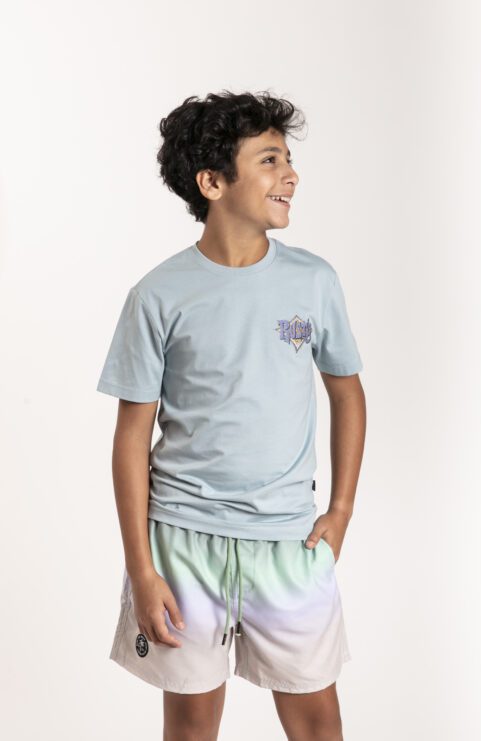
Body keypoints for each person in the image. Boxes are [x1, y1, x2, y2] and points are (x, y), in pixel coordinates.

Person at [96, 90, 366, 740]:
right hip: (182, 541)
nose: (290, 174)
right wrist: (142, 570)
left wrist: (340, 509)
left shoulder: (314, 281)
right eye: (269, 160)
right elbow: (131, 438)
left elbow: (347, 392)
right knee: (191, 721)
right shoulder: (158, 295)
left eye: (288, 159)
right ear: (213, 183)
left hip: (289, 540)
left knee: (316, 717)